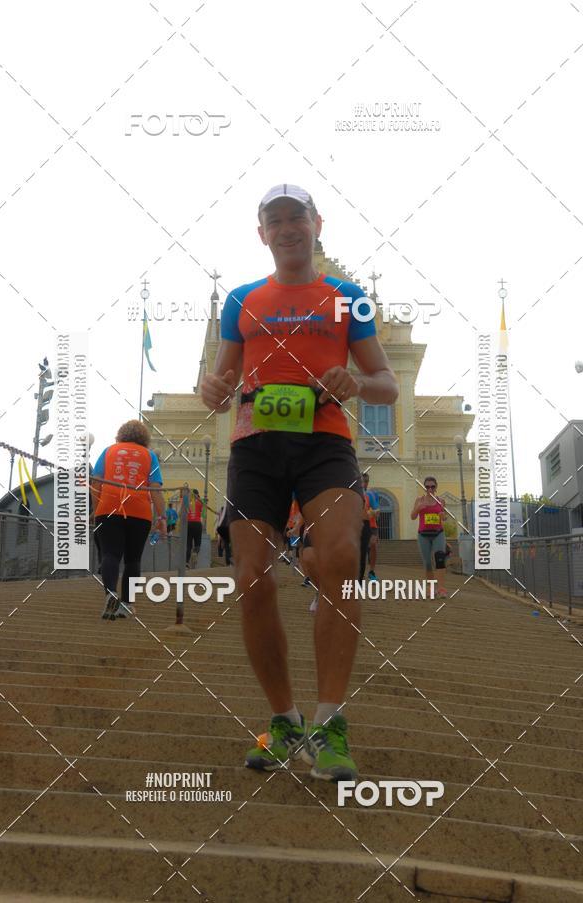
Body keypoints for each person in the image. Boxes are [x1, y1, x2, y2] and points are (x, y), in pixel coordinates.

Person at [200, 183, 398, 781]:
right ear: (261, 233)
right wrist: (212, 390)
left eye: (297, 218)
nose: (287, 228)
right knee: (251, 579)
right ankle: (285, 719)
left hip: (326, 441)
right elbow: (219, 382)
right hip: (254, 445)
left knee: (338, 554)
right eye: (274, 220)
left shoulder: (347, 297)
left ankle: (329, 721)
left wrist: (357, 383)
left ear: (317, 225)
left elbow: (386, 381)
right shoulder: (241, 299)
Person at [91, 420, 166, 619]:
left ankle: (110, 595)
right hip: (139, 512)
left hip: (108, 508)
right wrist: (162, 517)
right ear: (144, 438)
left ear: (121, 435)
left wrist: (95, 509)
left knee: (110, 554)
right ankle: (126, 604)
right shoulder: (149, 456)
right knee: (133, 560)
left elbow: (96, 482)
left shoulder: (108, 451)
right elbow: (156, 489)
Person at [410, 476, 448, 599]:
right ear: (424, 487)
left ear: (436, 487)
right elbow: (413, 516)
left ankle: (441, 588)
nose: (430, 489)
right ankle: (431, 588)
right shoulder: (419, 500)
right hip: (423, 535)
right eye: (427, 486)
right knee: (427, 563)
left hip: (438, 533)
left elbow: (444, 517)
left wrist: (443, 516)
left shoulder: (441, 501)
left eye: (432, 486)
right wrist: (418, 508)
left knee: (440, 560)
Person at [362, 472, 379, 581]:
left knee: (373, 544)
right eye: (362, 481)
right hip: (358, 525)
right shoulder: (353, 494)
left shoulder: (372, 494)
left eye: (366, 481)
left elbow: (377, 509)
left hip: (371, 525)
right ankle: (359, 572)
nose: (364, 484)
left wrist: (373, 513)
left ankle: (372, 571)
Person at [186, 489, 203, 566]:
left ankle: (186, 563)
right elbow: (203, 513)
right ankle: (195, 552)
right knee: (198, 543)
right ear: (197, 494)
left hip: (189, 523)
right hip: (197, 524)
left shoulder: (188, 502)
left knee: (188, 544)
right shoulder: (200, 502)